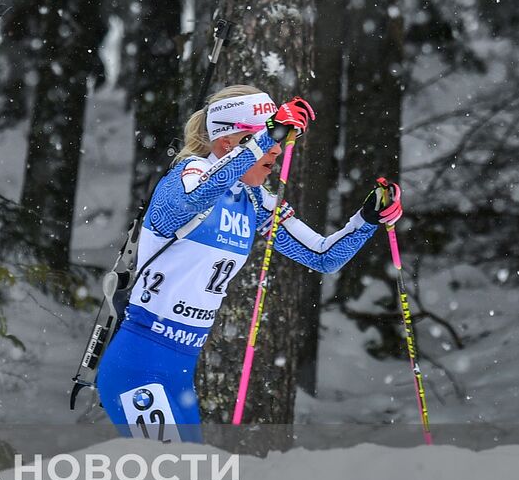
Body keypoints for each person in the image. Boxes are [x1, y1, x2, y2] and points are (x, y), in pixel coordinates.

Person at [95, 85, 403, 442]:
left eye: (280, 138)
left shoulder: (252, 199)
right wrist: (265, 135)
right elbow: (194, 197)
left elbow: (322, 257)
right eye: (268, 137)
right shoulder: (189, 174)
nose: (276, 148)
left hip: (178, 373)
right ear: (228, 143)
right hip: (138, 365)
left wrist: (366, 221)